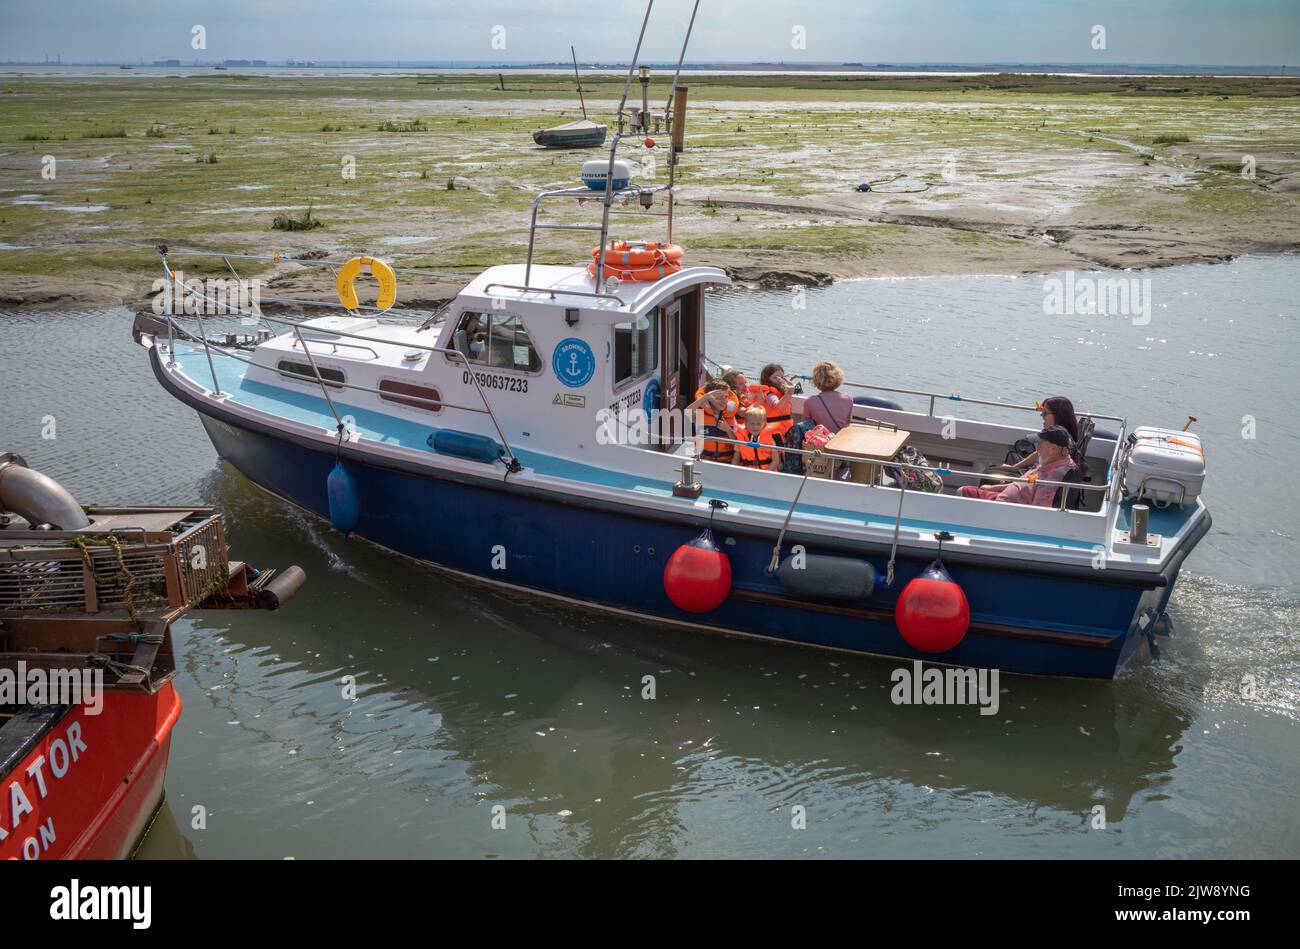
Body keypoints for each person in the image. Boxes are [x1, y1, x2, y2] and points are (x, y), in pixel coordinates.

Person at [958, 426, 1076, 506]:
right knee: (968, 490)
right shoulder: (1051, 462)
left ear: (1053, 448)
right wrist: (993, 488)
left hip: (1007, 509)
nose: (1037, 447)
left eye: (1040, 443)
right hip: (1006, 499)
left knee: (962, 491)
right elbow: (1024, 483)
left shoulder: (1054, 476)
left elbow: (1038, 511)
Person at [685, 379, 739, 463]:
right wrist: (704, 397)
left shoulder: (731, 416)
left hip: (726, 461)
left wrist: (728, 430)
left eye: (726, 397)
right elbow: (686, 412)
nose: (724, 401)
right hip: (704, 459)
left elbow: (737, 444)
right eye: (718, 398)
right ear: (709, 399)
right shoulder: (699, 414)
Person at [803, 360, 853, 433]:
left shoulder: (810, 402)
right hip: (840, 440)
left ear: (816, 380)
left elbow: (806, 428)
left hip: (820, 442)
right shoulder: (848, 399)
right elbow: (848, 424)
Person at [735, 406, 782, 471]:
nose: (755, 427)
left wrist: (764, 474)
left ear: (764, 424)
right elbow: (736, 459)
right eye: (752, 424)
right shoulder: (741, 437)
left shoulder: (770, 439)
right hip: (747, 472)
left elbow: (775, 460)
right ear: (745, 423)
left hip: (767, 472)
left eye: (759, 424)